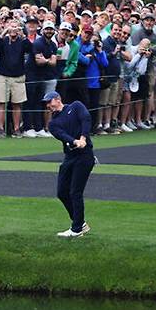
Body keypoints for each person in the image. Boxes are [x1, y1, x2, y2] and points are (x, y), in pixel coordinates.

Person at [43, 91, 94, 238]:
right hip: (70, 156)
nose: (48, 105)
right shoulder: (53, 123)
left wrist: (83, 138)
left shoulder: (76, 106)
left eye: (49, 102)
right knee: (62, 192)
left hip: (84, 156)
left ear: (58, 99)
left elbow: (86, 119)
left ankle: (77, 229)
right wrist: (75, 141)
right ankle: (80, 223)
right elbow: (62, 135)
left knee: (75, 192)